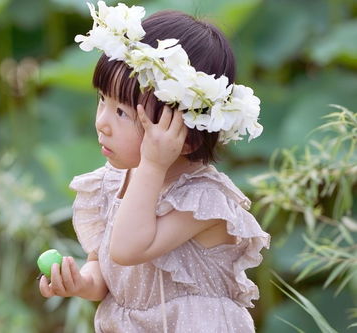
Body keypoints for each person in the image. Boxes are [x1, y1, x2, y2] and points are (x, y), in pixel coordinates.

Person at [39, 2, 270, 332]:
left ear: (185, 136)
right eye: (103, 100)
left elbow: (128, 249)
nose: (103, 122)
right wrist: (81, 282)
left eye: (123, 113)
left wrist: (152, 165)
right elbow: (108, 271)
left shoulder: (203, 201)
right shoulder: (113, 182)